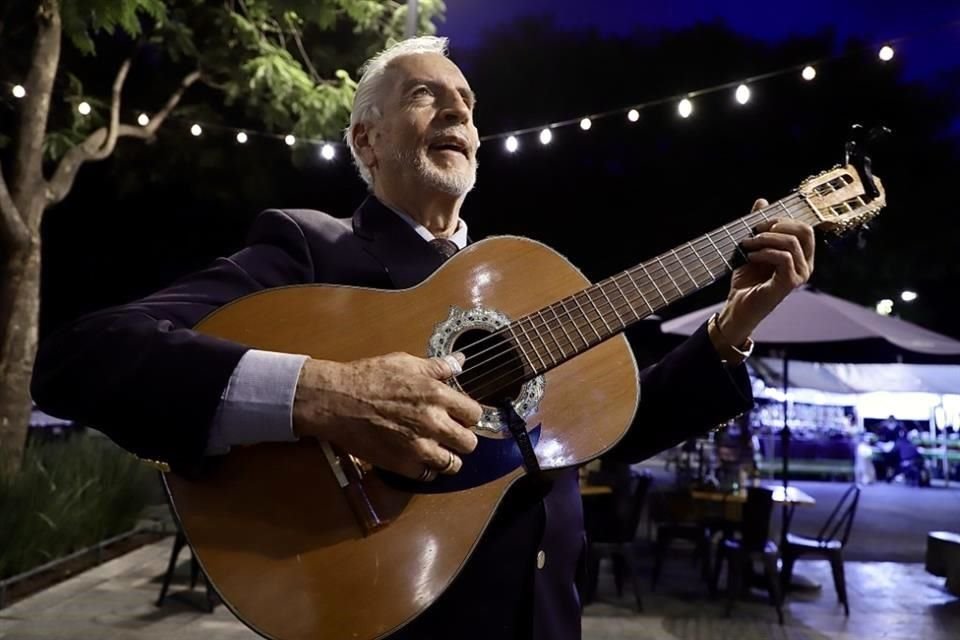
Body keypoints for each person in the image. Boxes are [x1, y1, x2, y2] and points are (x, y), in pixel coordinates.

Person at [30, 36, 815, 640]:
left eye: (467, 103)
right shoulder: (313, 250)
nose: (458, 113)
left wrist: (731, 328)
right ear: (366, 143)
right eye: (424, 95)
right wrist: (323, 393)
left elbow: (611, 423)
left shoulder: (519, 285)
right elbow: (82, 355)